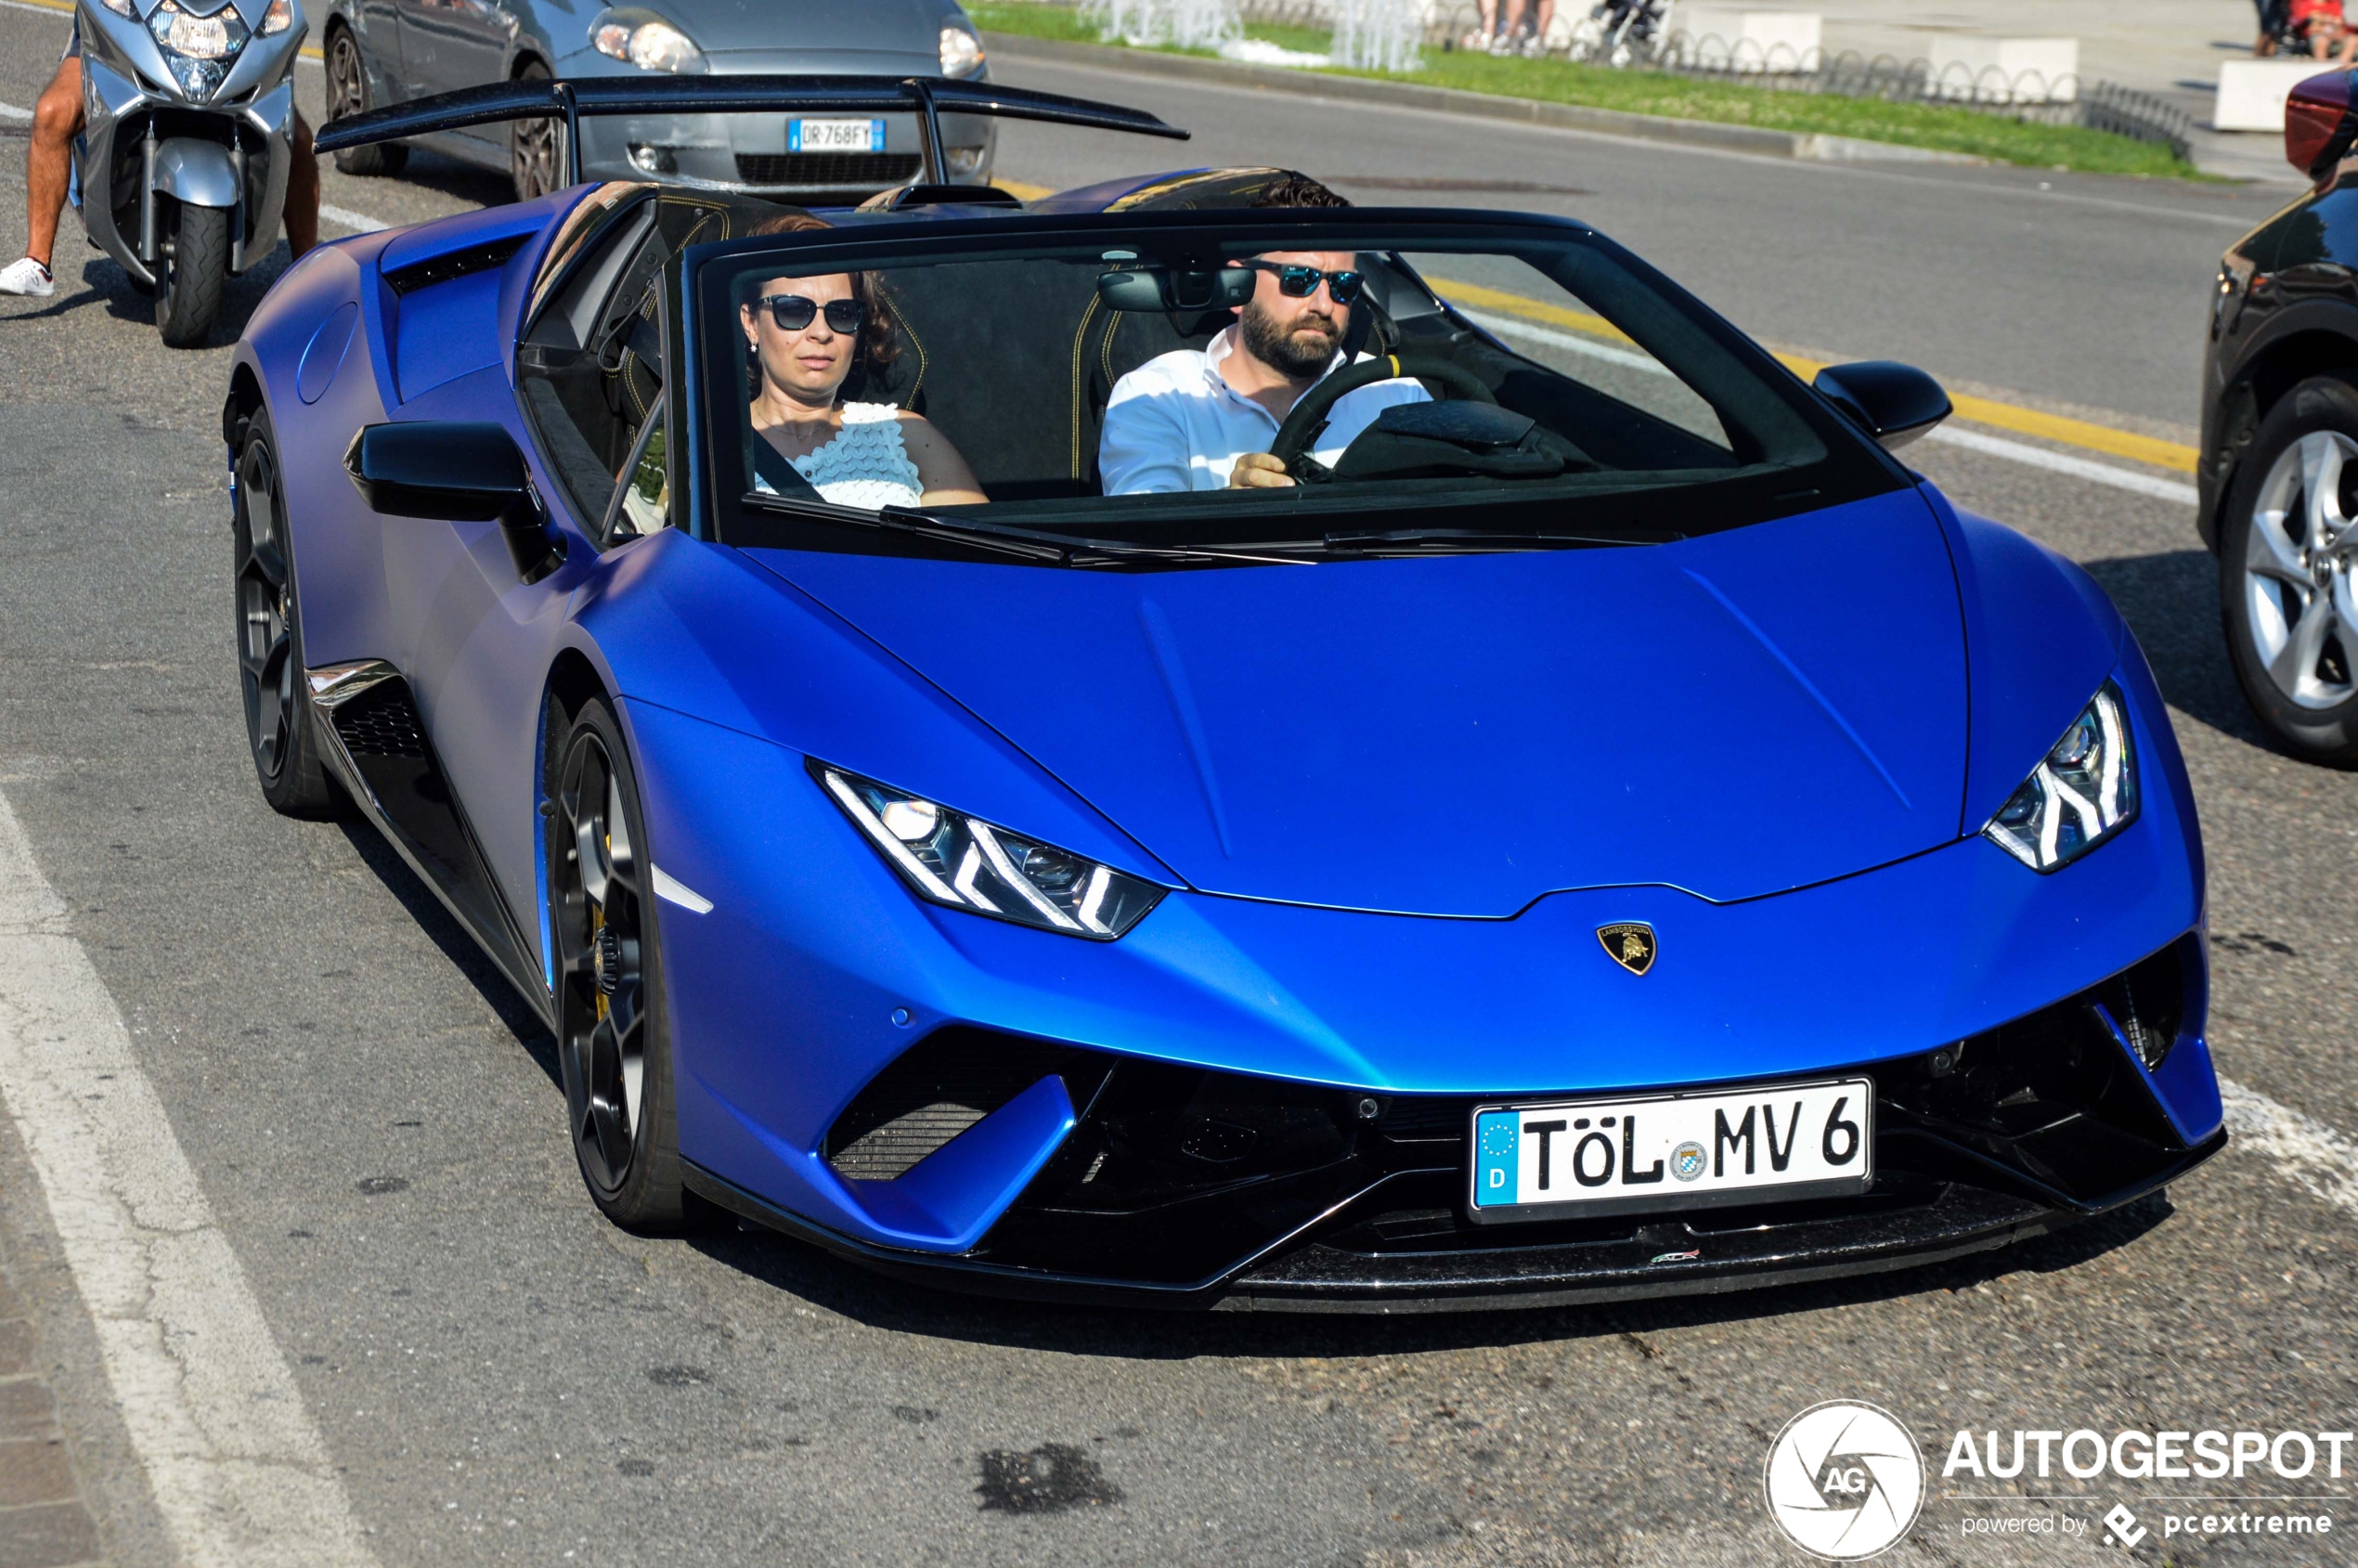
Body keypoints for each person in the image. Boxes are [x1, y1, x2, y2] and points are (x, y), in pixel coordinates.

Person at [1097, 175, 1429, 495]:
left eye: (1344, 286)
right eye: (1300, 279)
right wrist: (1226, 508)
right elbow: (1145, 536)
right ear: (1239, 286)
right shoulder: (1159, 395)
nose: (1324, 305)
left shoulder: (1396, 395)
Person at [1, 18, 319, 296]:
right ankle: (38, 263)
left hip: (224, 40)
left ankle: (309, 278)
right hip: (129, 30)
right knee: (53, 113)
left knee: (299, 139)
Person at [741, 215, 986, 509]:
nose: (821, 333)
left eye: (841, 313)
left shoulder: (906, 438)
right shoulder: (710, 445)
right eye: (794, 311)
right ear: (751, 323)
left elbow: (981, 548)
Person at [2291, 0, 2358, 62]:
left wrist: (2334, 27)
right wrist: (2325, 28)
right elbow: (2307, 27)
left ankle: (2341, 65)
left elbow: (2339, 22)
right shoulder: (2306, 5)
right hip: (2317, 36)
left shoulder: (2334, 3)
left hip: (2334, 34)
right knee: (2323, 41)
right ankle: (2322, 66)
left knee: (2354, 40)